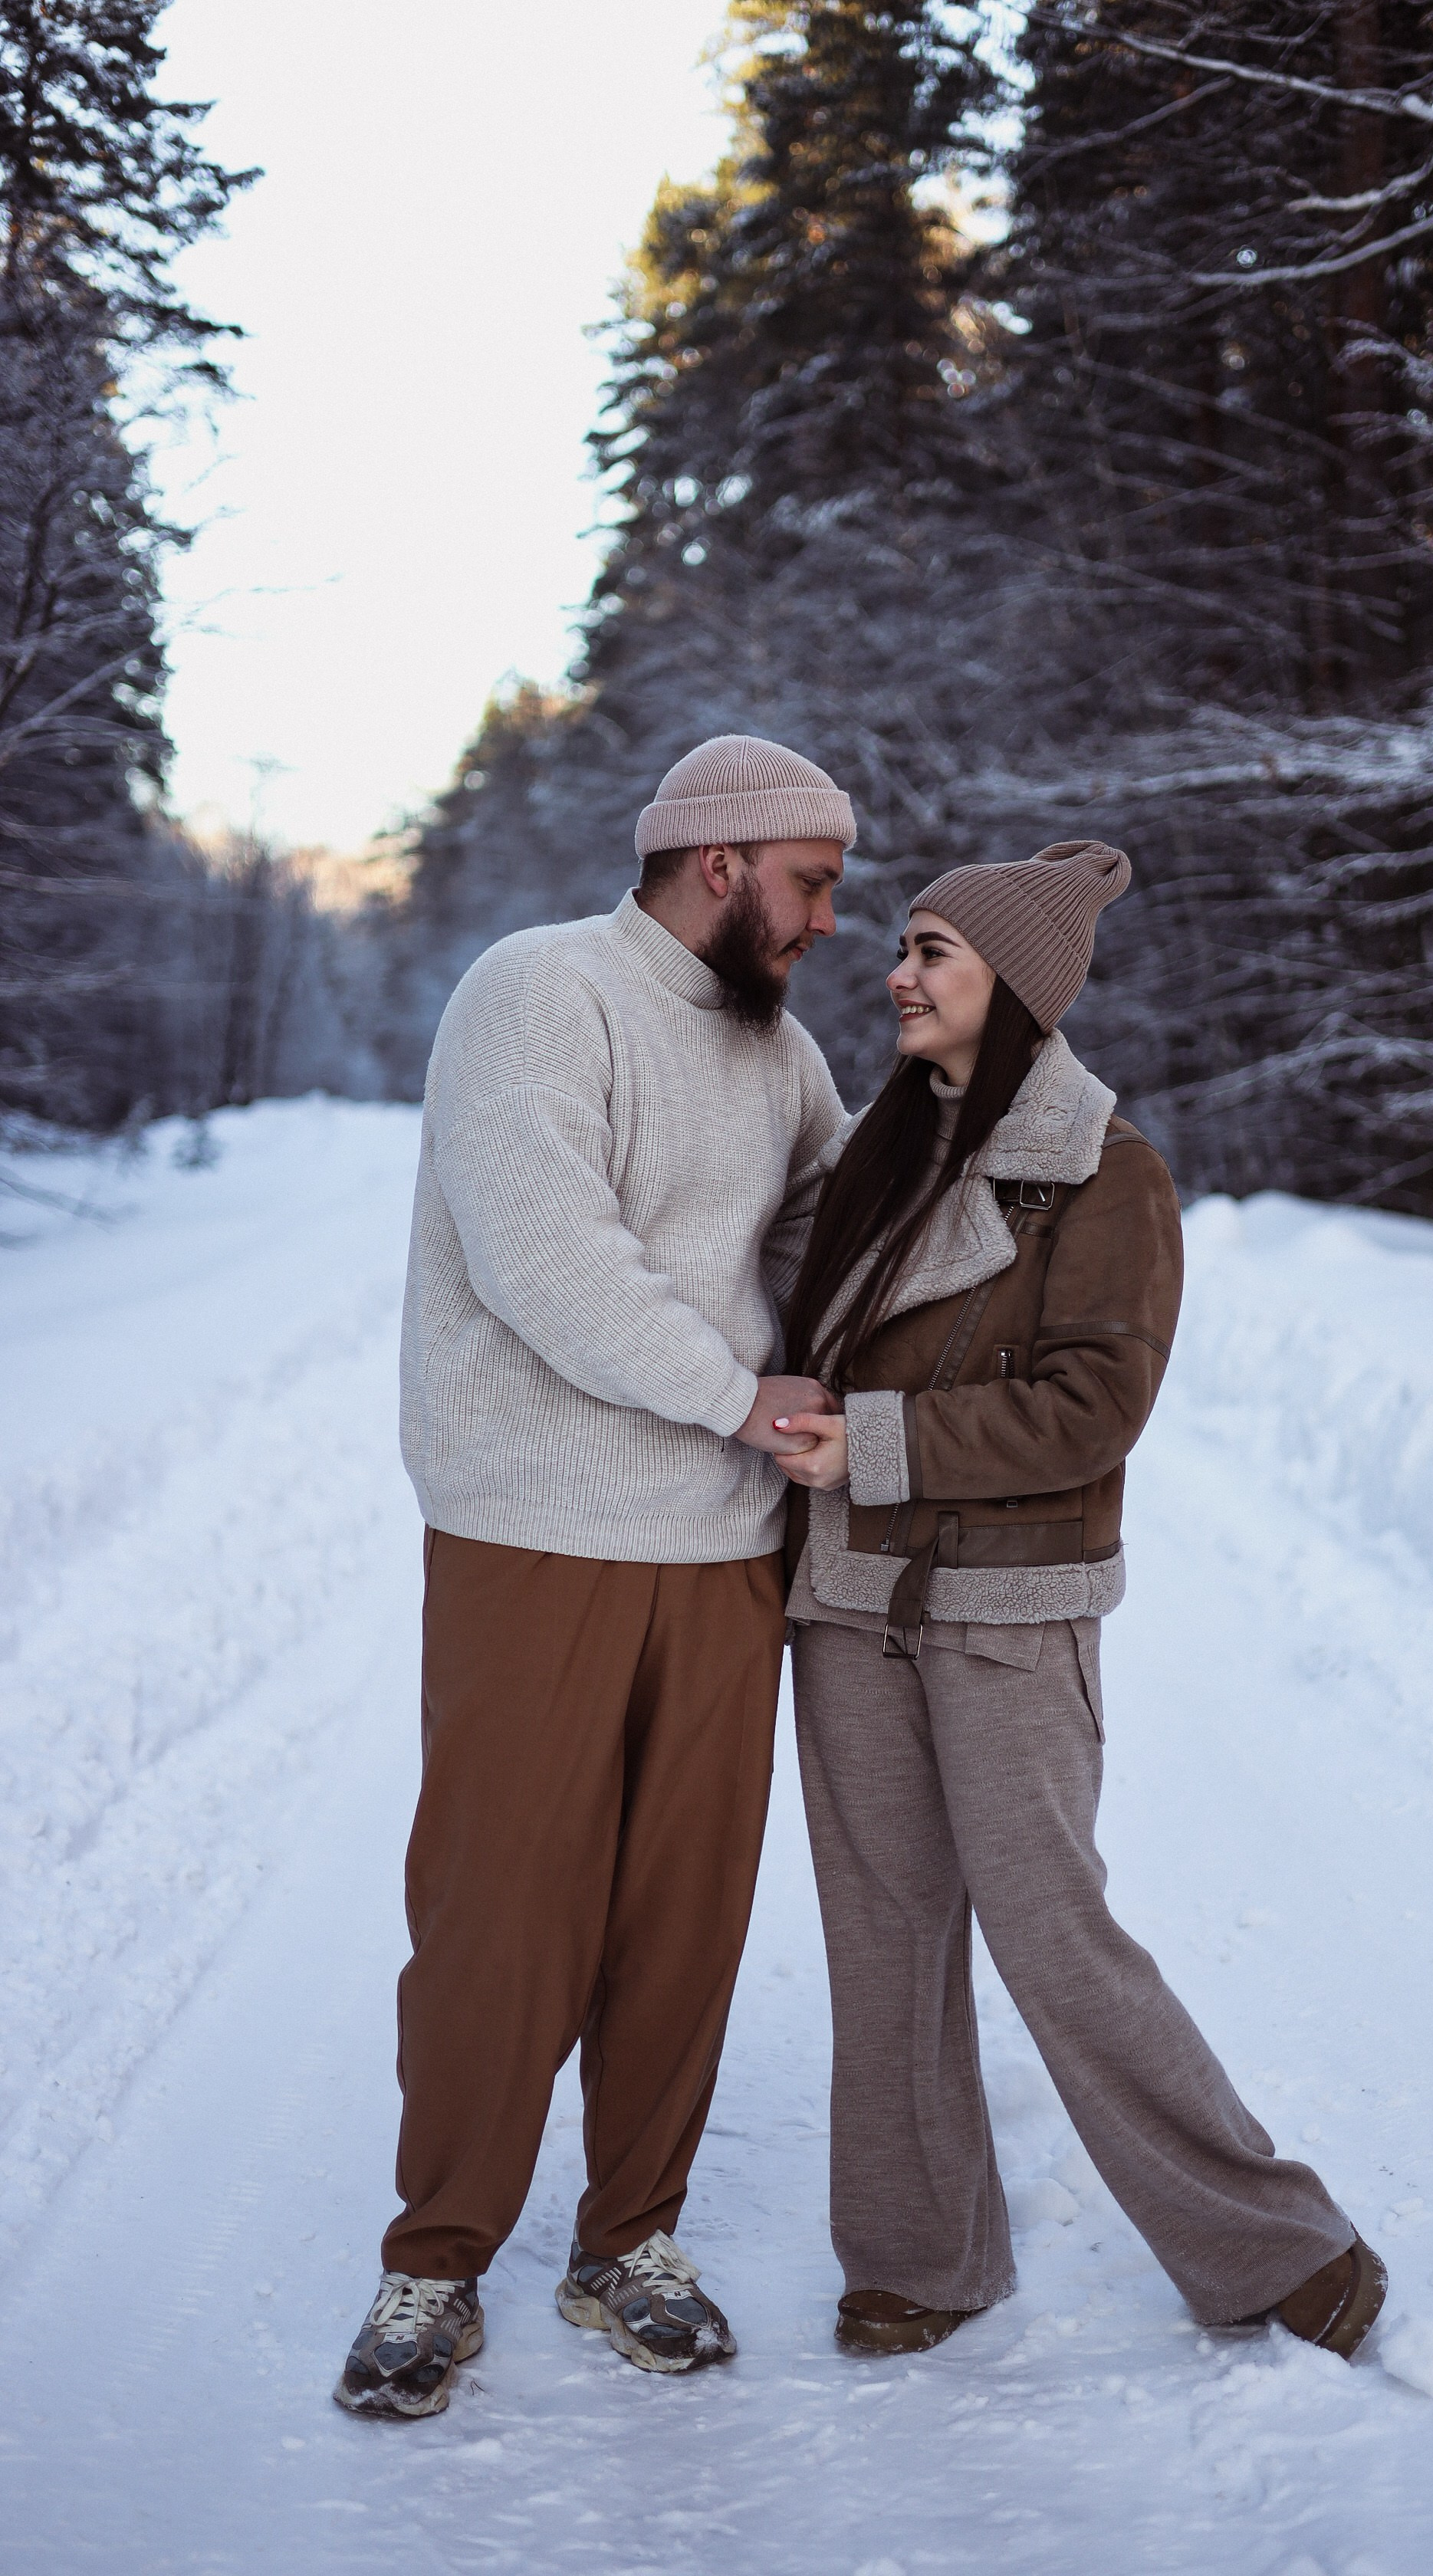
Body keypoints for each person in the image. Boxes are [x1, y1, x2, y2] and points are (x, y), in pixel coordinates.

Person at [774, 840, 1388, 2362]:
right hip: (849, 1598)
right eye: (904, 948)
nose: (899, 975)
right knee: (883, 1936)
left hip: (1006, 1605)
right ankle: (920, 2255)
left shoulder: (1106, 1170)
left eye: (932, 953)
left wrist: (878, 1444)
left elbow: (1092, 1408)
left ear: (1015, 988)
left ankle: (1278, 2243)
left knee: (1054, 1938)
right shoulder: (876, 1150)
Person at [335, 734, 853, 2418]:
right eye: (812, 884)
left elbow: (847, 1226)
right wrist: (737, 1394)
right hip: (536, 1531)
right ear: (718, 863)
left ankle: (628, 2239)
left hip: (724, 1548)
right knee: (501, 1912)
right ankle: (435, 2264)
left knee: (681, 1921)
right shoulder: (537, 992)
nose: (830, 922)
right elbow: (544, 1250)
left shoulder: (779, 1051)